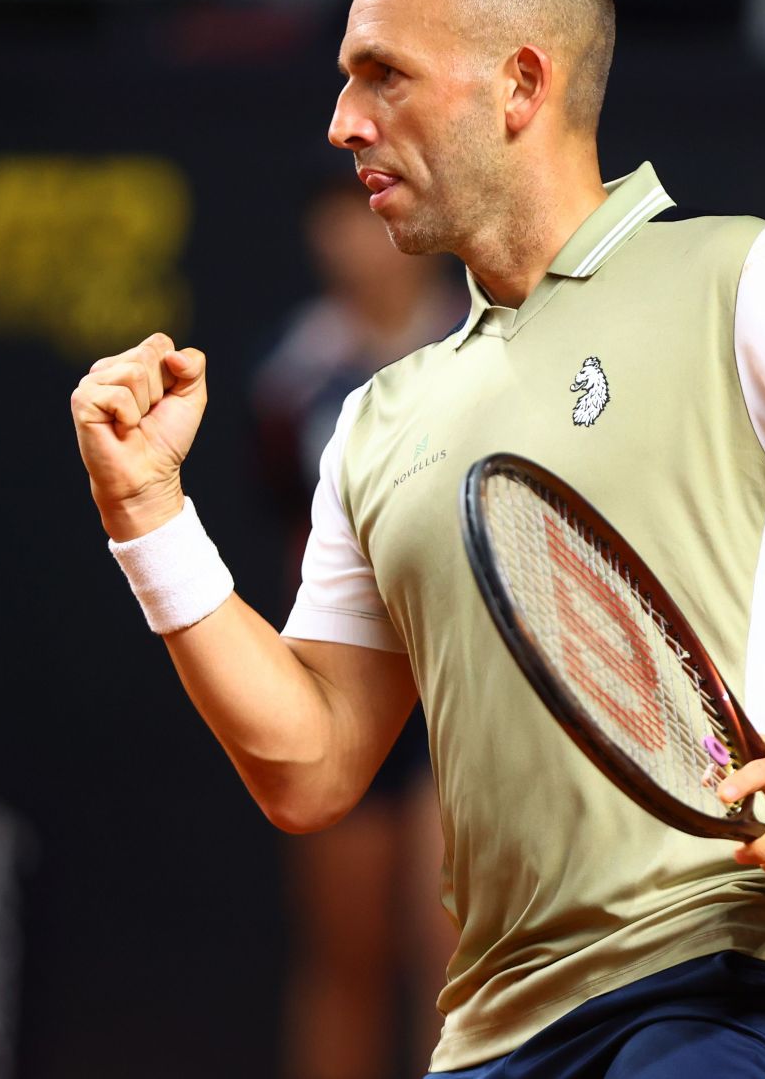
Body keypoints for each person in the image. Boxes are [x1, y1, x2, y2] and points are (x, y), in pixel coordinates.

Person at [70, 0, 765, 1078]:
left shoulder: (740, 277)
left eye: (382, 75)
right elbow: (312, 763)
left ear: (520, 83)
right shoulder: (376, 421)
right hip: (494, 1034)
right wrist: (148, 518)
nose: (344, 123)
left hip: (734, 986)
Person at [250, 177, 464, 1078]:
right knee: (345, 954)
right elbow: (284, 522)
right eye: (337, 216)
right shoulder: (291, 377)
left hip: (460, 688)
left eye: (372, 210)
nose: (359, 236)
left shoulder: (484, 342)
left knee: (451, 954)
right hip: (346, 687)